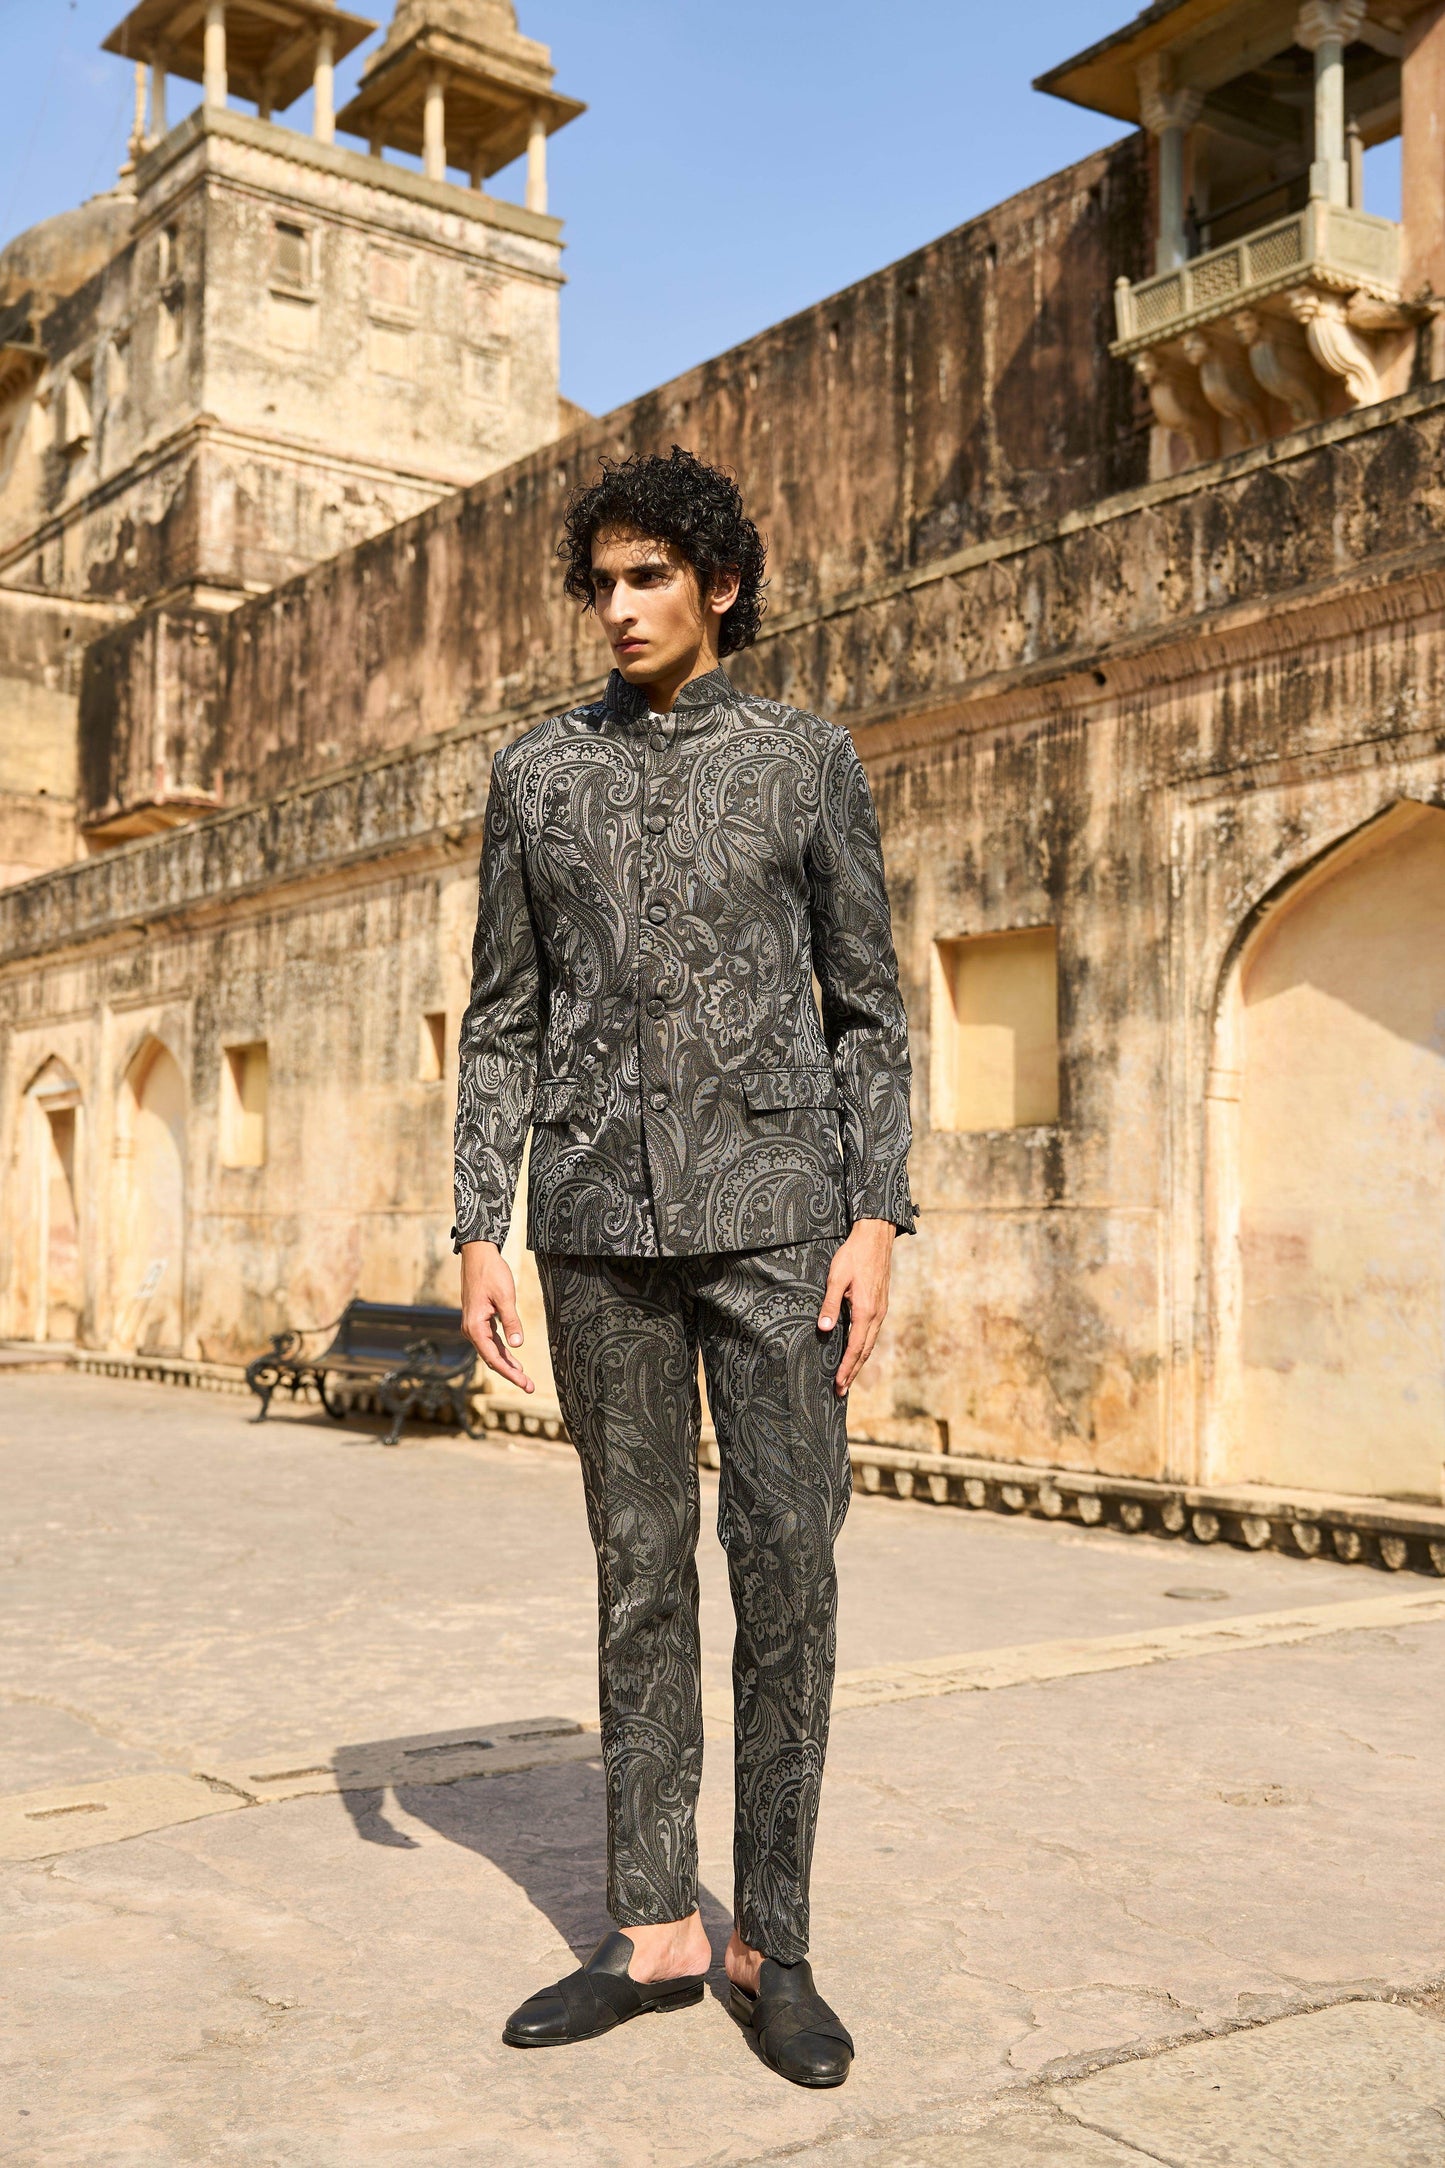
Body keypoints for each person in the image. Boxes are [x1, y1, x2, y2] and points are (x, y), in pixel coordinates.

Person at [453, 447, 914, 2089]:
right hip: (594, 1227)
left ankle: (771, 1941)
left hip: (781, 1224)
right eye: (600, 581)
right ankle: (651, 1929)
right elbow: (501, 1018)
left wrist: (877, 1216)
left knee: (786, 1574)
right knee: (637, 1569)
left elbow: (866, 1006)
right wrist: (478, 1223)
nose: (618, 607)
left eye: (648, 575)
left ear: (719, 585)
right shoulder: (535, 775)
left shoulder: (802, 761)